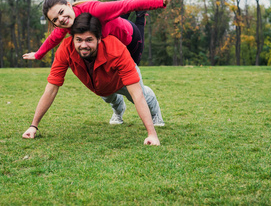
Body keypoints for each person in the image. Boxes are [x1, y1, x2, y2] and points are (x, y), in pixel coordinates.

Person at [22, 13, 164, 146]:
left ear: (99, 39)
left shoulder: (116, 49)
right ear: (72, 39)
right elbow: (51, 89)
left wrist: (152, 134)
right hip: (100, 85)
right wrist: (33, 126)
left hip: (122, 80)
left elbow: (137, 95)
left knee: (139, 96)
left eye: (89, 40)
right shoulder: (65, 49)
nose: (84, 45)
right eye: (79, 40)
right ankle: (118, 112)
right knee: (109, 98)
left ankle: (156, 114)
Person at [22, 0, 183, 65]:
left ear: (69, 5)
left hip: (129, 37)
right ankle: (124, 17)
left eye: (62, 12)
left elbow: (127, 4)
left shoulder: (95, 10)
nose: (61, 19)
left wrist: (161, 1)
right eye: (55, 19)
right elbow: (53, 39)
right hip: (111, 34)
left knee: (134, 67)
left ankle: (141, 16)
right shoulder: (65, 26)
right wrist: (38, 54)